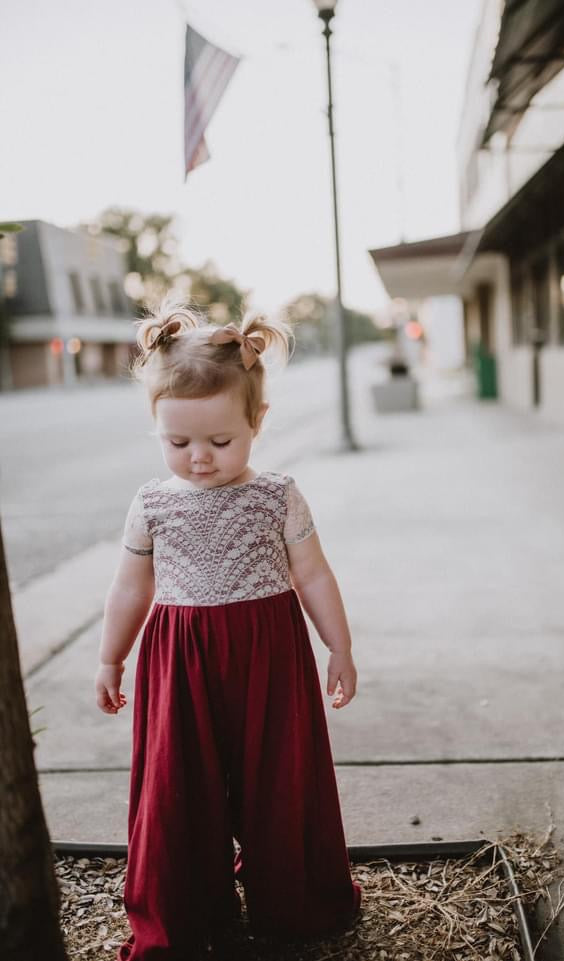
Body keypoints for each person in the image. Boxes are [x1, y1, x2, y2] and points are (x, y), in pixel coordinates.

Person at [94, 296, 361, 961]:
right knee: (177, 786)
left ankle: (292, 901)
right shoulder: (153, 502)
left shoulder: (277, 494)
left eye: (220, 440)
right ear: (155, 426)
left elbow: (314, 575)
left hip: (269, 653)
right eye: (177, 441)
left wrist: (340, 645)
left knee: (280, 777)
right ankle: (186, 913)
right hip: (178, 660)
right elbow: (131, 585)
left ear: (257, 420)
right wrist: (110, 658)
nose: (200, 458)